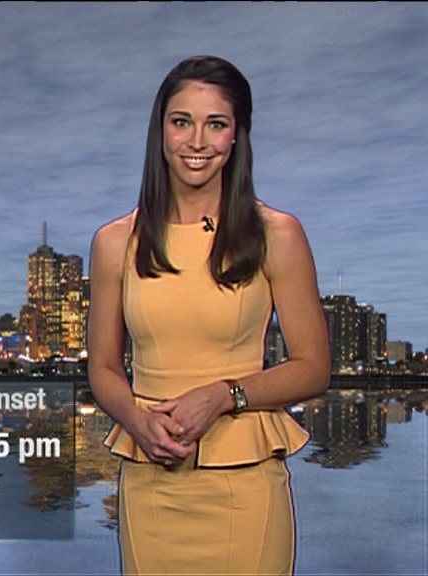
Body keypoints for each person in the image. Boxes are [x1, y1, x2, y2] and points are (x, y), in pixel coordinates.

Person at [88, 55, 331, 575]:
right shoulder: (114, 243)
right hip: (151, 482)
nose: (197, 141)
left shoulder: (278, 235)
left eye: (216, 124)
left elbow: (313, 368)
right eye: (182, 122)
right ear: (160, 131)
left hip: (245, 486)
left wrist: (225, 395)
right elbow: (103, 367)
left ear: (237, 136)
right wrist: (135, 419)